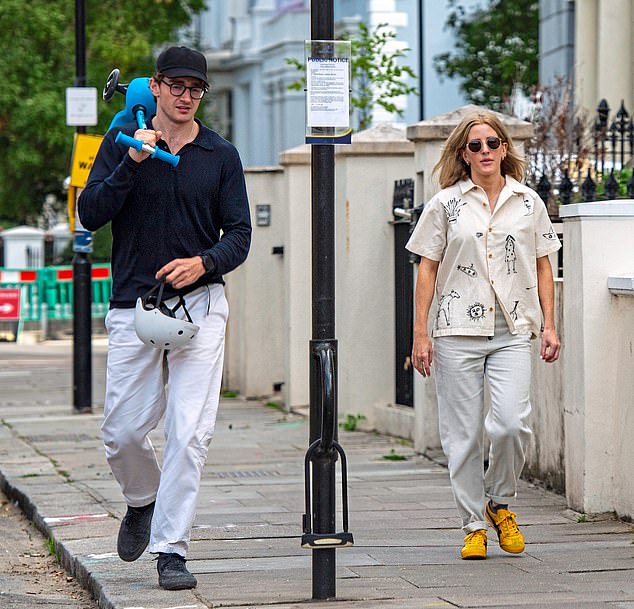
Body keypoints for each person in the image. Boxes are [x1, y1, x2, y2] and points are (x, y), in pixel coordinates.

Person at [78, 46, 251, 589]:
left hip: (200, 308)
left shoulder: (220, 155)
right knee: (122, 431)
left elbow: (241, 234)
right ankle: (141, 500)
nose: (185, 96)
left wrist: (204, 263)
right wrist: (131, 162)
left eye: (195, 89)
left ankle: (171, 550)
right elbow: (89, 213)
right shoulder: (122, 140)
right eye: (175, 86)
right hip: (133, 303)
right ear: (154, 87)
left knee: (188, 433)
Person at [406, 111, 560, 560]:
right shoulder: (445, 205)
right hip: (456, 331)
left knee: (512, 424)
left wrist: (550, 325)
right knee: (464, 434)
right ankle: (473, 523)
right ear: (463, 154)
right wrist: (421, 335)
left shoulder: (528, 202)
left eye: (492, 143)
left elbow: (544, 264)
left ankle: (499, 503)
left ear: (505, 148)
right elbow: (427, 269)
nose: (485, 152)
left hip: (513, 329)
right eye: (475, 146)